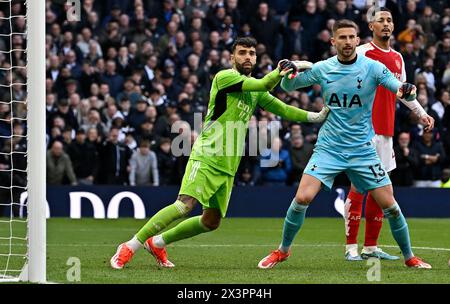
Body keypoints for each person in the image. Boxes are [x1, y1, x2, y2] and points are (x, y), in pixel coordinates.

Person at [110, 37, 329, 269]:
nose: (248, 57)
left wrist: (314, 116)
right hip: (207, 154)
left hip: (228, 164)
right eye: (242, 52)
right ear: (232, 57)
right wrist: (280, 70)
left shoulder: (254, 89)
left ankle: (158, 243)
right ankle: (130, 245)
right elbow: (265, 84)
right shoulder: (225, 78)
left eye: (252, 53)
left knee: (211, 221)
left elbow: (283, 108)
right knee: (184, 205)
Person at [258, 20, 431, 270]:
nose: (348, 42)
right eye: (343, 38)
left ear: (358, 40)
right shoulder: (324, 68)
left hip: (362, 149)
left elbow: (399, 89)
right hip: (329, 147)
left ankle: (409, 257)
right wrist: (286, 71)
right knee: (302, 198)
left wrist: (408, 91)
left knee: (391, 207)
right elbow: (289, 85)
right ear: (333, 42)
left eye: (352, 37)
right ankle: (282, 251)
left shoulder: (373, 67)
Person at [336, 7, 435, 261]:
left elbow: (404, 92)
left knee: (382, 190)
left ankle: (370, 247)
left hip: (386, 131)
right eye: (381, 20)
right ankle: (350, 248)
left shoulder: (398, 58)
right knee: (358, 187)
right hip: (363, 131)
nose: (387, 24)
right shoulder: (361, 52)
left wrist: (421, 112)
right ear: (371, 27)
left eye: (390, 20)